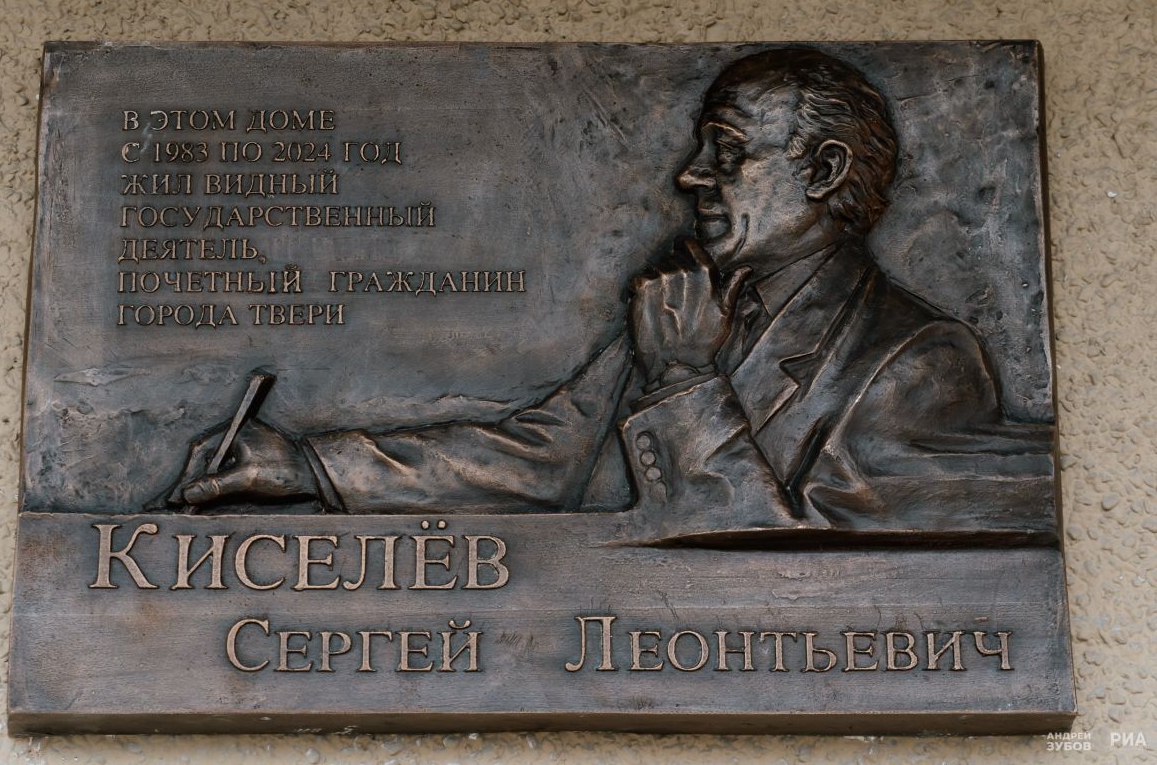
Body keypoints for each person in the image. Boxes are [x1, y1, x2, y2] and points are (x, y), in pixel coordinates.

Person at [170, 48, 1055, 543]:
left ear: (823, 170)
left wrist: (683, 381)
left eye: (727, 151)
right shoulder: (697, 302)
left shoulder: (922, 363)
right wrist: (312, 467)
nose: (690, 175)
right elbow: (544, 457)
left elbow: (796, 595)